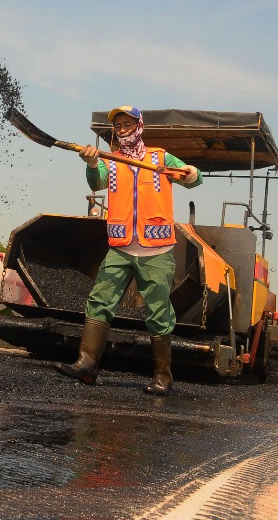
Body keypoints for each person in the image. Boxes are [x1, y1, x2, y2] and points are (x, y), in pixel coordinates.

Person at [55, 105, 201, 394]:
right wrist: (91, 163)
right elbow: (96, 183)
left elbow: (194, 180)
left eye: (127, 124)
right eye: (118, 125)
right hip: (120, 245)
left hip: (156, 248)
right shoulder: (111, 160)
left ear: (139, 126)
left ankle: (163, 376)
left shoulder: (159, 158)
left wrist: (189, 171)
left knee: (159, 312)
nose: (122, 129)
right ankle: (86, 365)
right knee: (100, 300)